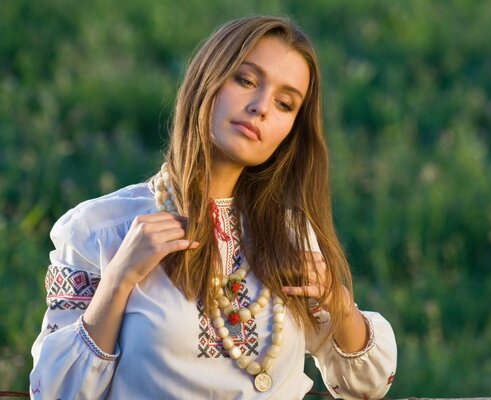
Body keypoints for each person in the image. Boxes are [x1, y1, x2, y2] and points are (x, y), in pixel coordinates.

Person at [30, 15, 396, 399]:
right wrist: (119, 278)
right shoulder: (101, 229)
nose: (261, 107)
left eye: (285, 104)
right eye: (246, 80)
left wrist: (337, 303)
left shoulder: (289, 234)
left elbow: (368, 386)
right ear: (208, 80)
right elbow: (55, 392)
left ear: (291, 132)